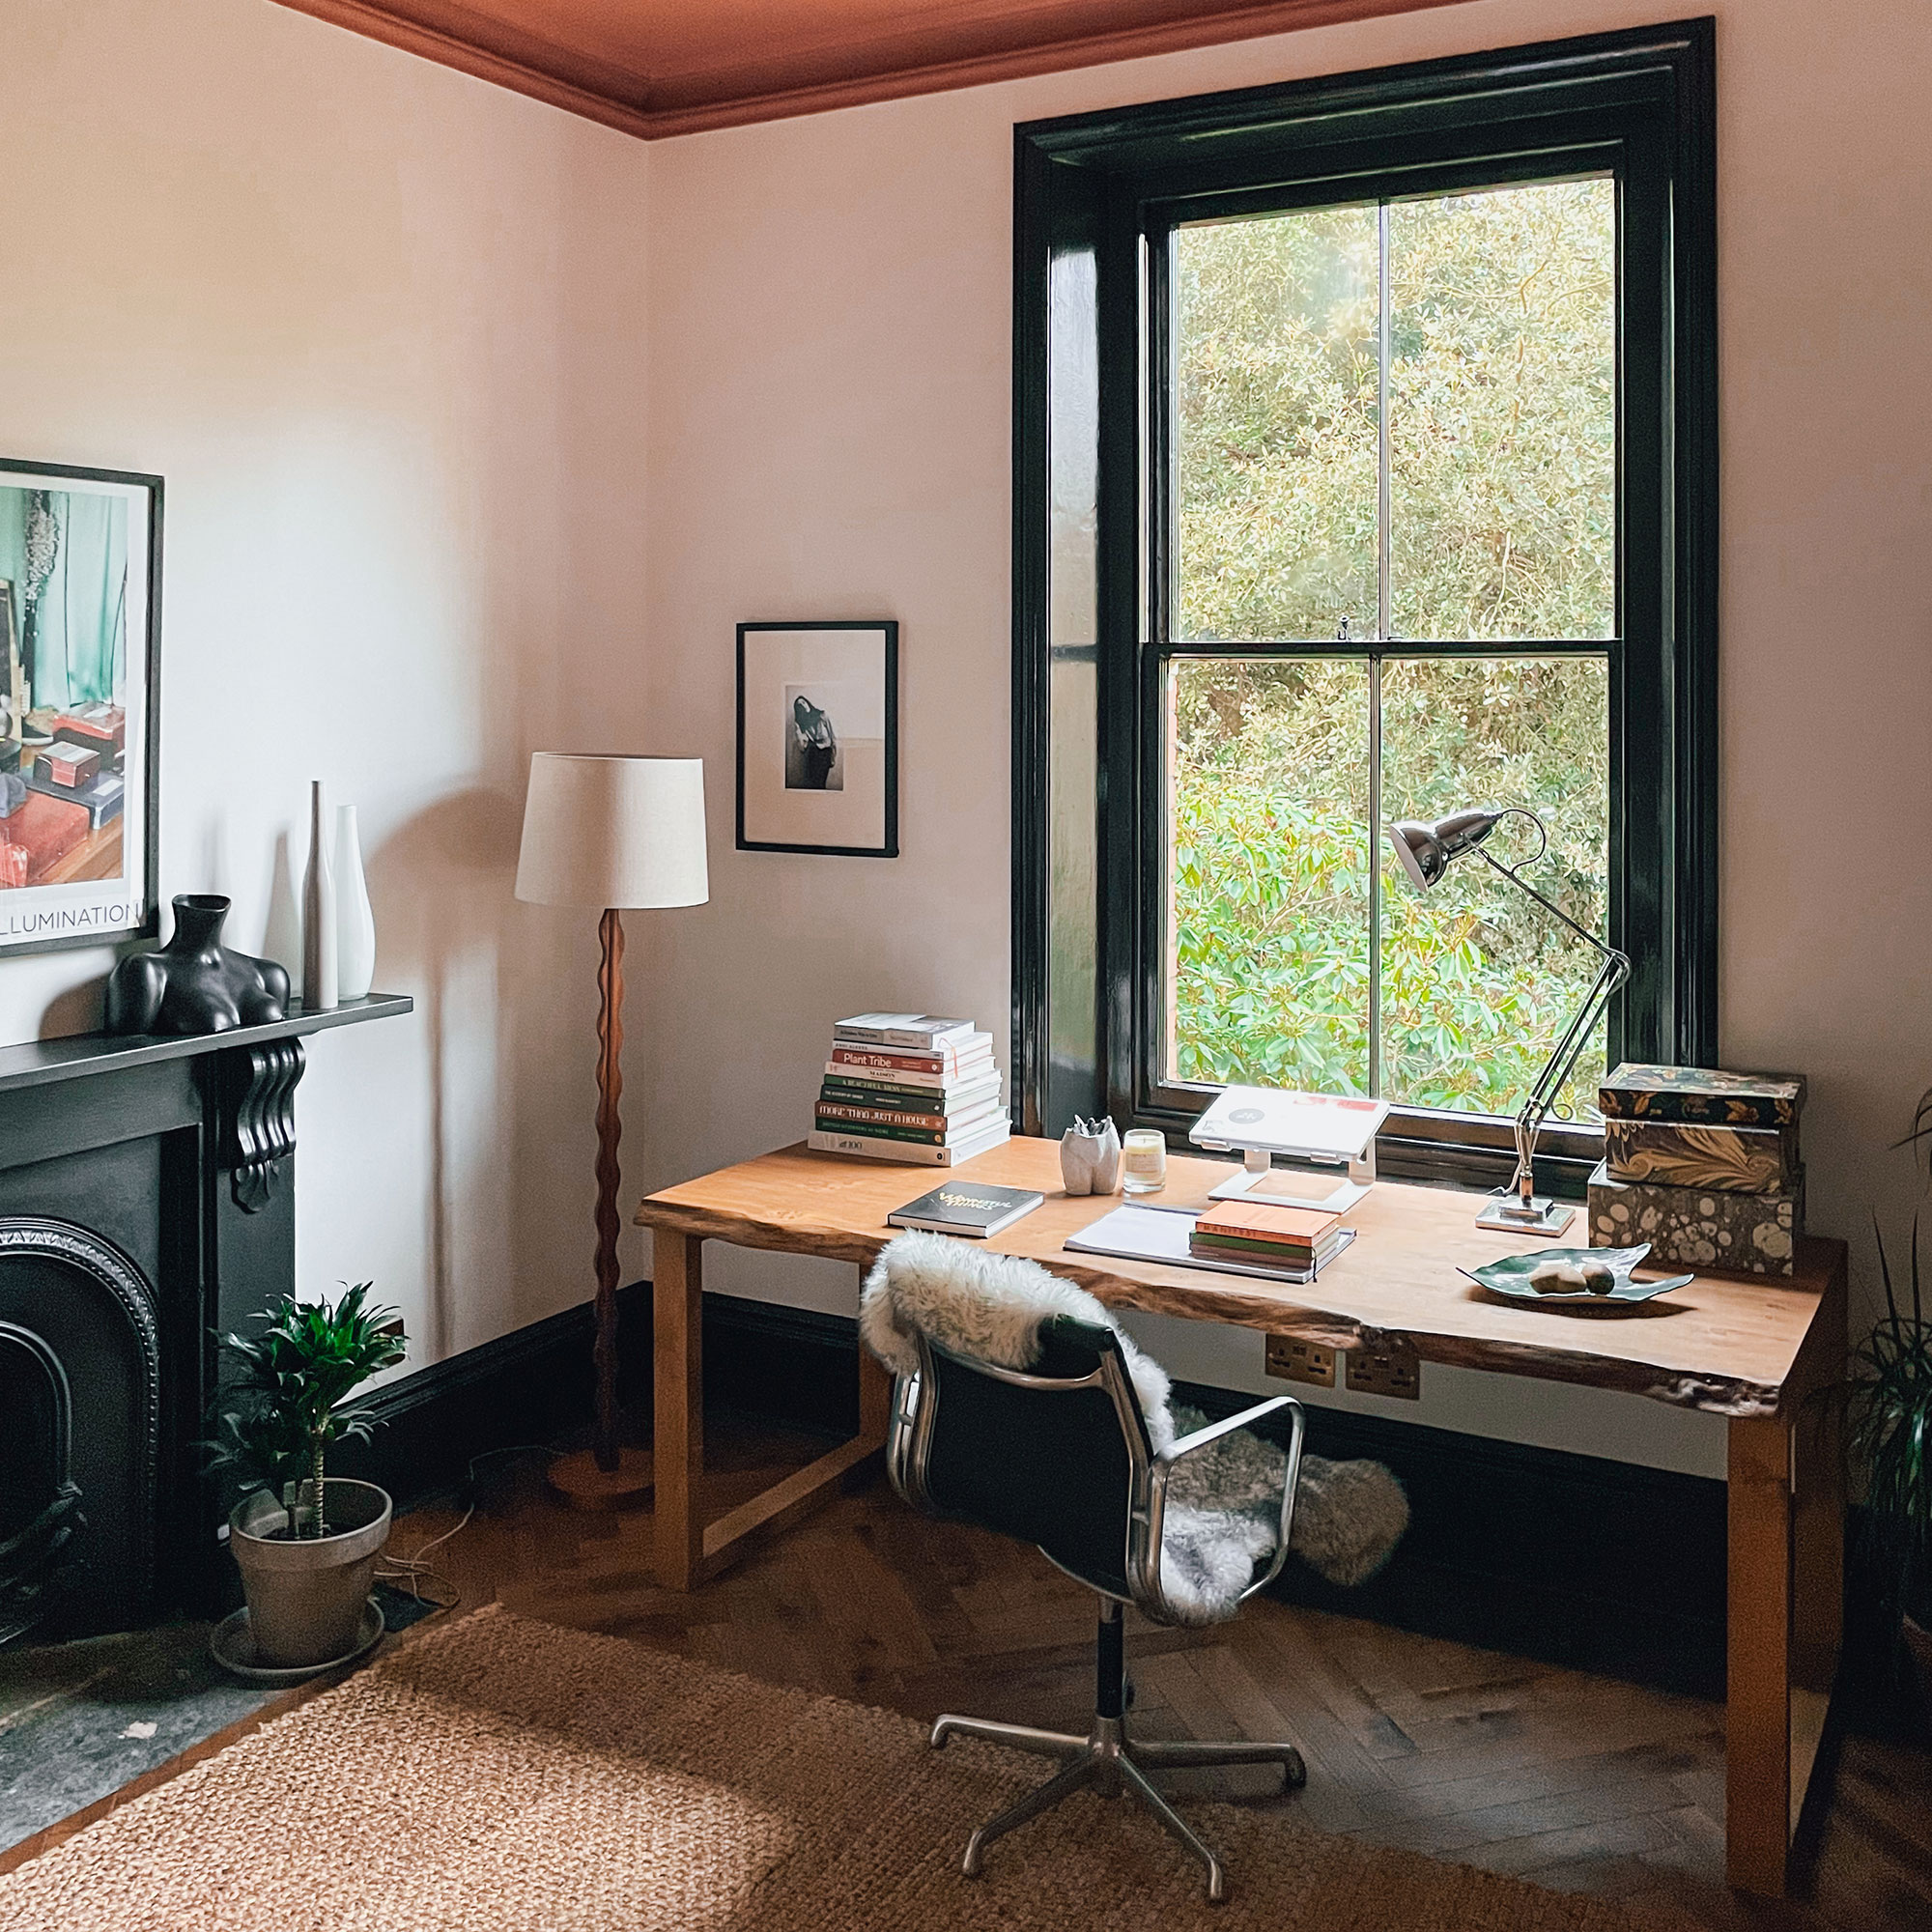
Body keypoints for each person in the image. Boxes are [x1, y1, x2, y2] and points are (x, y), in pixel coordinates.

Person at [791, 693, 838, 788]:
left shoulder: (822, 714)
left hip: (825, 752)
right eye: (799, 705)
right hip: (812, 753)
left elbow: (833, 737)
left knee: (821, 783)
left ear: (807, 702)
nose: (803, 705)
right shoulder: (802, 724)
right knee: (813, 784)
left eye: (803, 702)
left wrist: (833, 756)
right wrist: (797, 730)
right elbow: (802, 748)